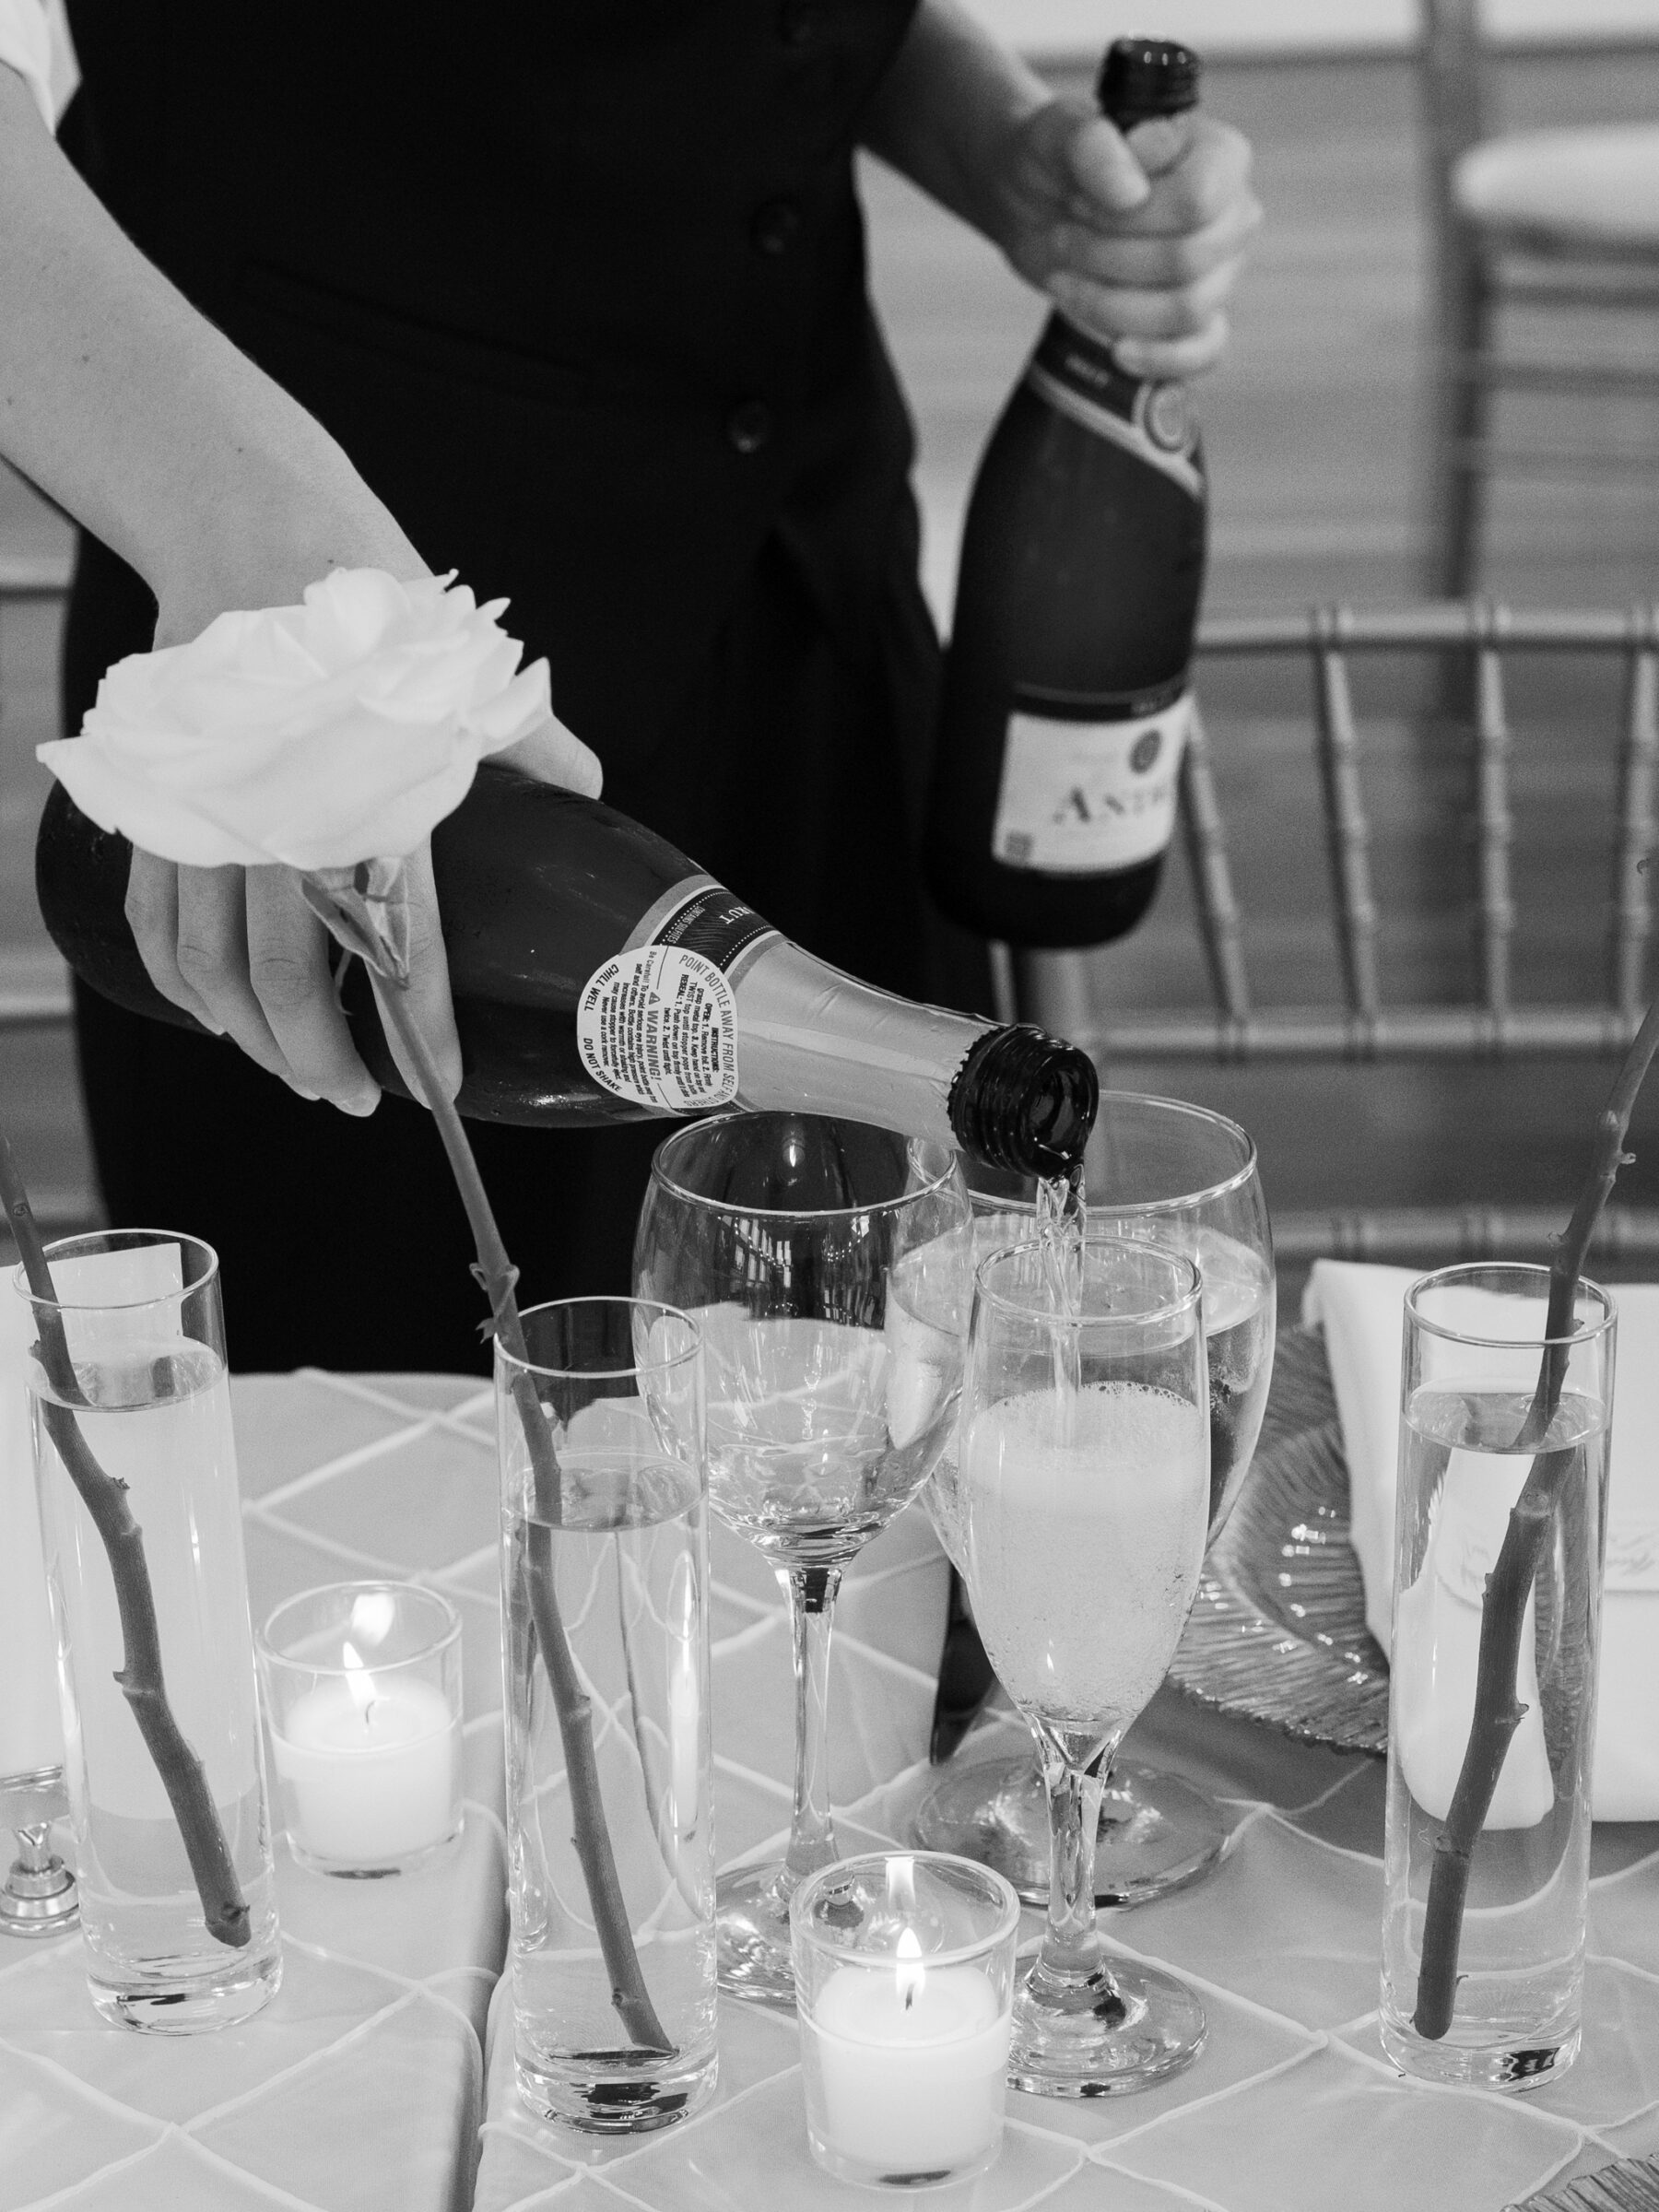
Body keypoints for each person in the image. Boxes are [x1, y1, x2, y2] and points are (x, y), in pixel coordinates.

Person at [0, 2, 1258, 1371]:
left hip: (811, 597)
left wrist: (994, 139)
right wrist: (236, 525)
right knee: (404, 1466)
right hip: (338, 728)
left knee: (879, 1387)